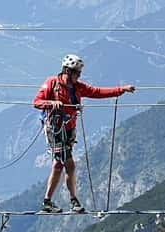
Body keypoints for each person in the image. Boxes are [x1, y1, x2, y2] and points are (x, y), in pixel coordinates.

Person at [32, 54, 134, 213]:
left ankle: (47, 202)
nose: (78, 76)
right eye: (76, 72)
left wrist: (121, 90)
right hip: (55, 129)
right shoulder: (51, 83)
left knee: (59, 165)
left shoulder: (77, 87)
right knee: (70, 165)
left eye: (79, 73)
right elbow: (37, 102)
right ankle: (73, 201)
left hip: (68, 130)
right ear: (67, 70)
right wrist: (52, 103)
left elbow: (97, 92)